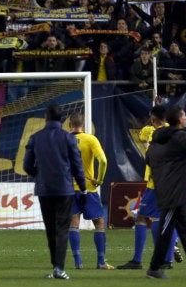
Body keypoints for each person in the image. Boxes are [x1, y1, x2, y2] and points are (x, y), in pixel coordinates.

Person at [144, 105, 186, 279]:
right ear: (179, 119)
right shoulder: (178, 136)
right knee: (165, 231)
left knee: (185, 230)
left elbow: (149, 158)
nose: (185, 117)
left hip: (172, 192)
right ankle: (154, 268)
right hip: (174, 194)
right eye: (184, 115)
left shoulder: (159, 139)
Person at [23, 104, 86, 280]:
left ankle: (56, 268)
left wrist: (40, 175)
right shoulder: (69, 138)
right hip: (65, 189)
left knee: (51, 229)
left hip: (44, 189)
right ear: (62, 119)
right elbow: (77, 166)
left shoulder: (35, 137)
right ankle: (59, 268)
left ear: (46, 117)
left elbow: (27, 166)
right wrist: (83, 187)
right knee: (62, 229)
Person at [117, 105, 182, 270]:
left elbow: (142, 133)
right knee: (165, 218)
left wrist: (151, 118)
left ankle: (146, 260)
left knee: (147, 218)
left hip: (155, 182)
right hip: (172, 182)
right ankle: (165, 258)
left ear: (152, 119)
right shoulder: (174, 132)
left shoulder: (151, 133)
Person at [67, 112, 113, 270]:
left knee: (73, 224)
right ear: (84, 126)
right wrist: (99, 180)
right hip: (88, 188)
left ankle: (78, 262)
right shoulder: (91, 139)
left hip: (69, 189)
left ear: (69, 126)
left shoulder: (64, 139)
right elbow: (103, 160)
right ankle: (101, 262)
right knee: (99, 223)